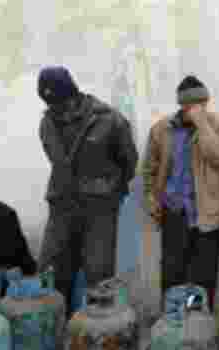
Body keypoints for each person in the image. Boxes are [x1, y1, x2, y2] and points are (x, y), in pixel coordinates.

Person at [36, 66, 138, 319]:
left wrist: (108, 190)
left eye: (61, 103)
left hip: (99, 208)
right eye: (51, 105)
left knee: (98, 273)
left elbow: (129, 161)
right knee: (51, 271)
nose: (57, 110)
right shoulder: (47, 122)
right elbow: (57, 161)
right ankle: (58, 334)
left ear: (74, 94)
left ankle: (97, 336)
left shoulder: (109, 120)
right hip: (62, 206)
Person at [142, 75, 219, 308]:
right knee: (173, 272)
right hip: (175, 211)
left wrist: (202, 124)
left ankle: (200, 322)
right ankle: (173, 321)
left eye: (201, 104)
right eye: (191, 104)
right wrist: (151, 197)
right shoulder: (162, 129)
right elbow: (149, 167)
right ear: (181, 104)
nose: (196, 108)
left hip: (207, 212)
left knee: (204, 275)